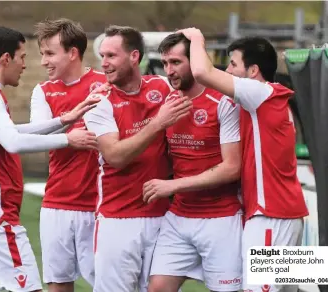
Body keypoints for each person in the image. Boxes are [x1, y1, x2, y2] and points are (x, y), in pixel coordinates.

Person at [0, 26, 99, 292]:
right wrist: (68, 138)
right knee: (28, 288)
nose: (27, 65)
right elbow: (12, 142)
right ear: (6, 59)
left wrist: (63, 120)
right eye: (22, 57)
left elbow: (9, 132)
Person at [178, 27, 309, 292]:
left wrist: (196, 39)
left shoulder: (259, 94)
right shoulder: (270, 98)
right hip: (284, 213)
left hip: (270, 216)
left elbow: (203, 73)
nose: (227, 70)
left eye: (233, 64)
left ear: (253, 72)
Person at [83, 25, 191, 292]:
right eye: (102, 56)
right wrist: (157, 123)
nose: (104, 64)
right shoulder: (99, 102)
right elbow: (114, 156)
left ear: (134, 57)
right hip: (118, 220)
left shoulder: (162, 87)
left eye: (111, 56)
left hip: (163, 217)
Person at [143, 32, 243, 292]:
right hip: (179, 217)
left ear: (195, 61)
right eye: (165, 64)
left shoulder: (223, 102)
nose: (169, 71)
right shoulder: (168, 102)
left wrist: (173, 186)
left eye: (175, 62)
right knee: (156, 288)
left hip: (220, 219)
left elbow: (232, 167)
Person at [29, 18, 107, 291]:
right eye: (42, 54)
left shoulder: (105, 86)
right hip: (57, 205)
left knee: (109, 284)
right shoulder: (43, 91)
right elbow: (37, 138)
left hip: (100, 206)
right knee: (58, 283)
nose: (43, 62)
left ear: (73, 53)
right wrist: (69, 137)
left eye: (50, 53)